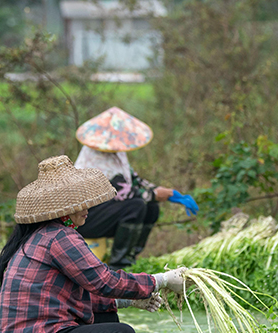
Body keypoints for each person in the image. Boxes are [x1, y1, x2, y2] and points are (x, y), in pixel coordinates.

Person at [0, 155, 187, 333]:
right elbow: (104, 281)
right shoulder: (59, 238)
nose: (88, 207)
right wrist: (160, 280)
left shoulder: (40, 236)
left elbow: (77, 295)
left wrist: (130, 302)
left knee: (107, 319)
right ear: (63, 207)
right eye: (80, 202)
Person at [73, 106, 199, 269]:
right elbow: (121, 192)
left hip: (105, 213)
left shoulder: (116, 153)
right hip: (85, 219)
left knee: (151, 207)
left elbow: (134, 180)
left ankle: (131, 255)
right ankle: (119, 263)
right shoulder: (95, 158)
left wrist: (166, 193)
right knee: (136, 205)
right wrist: (154, 194)